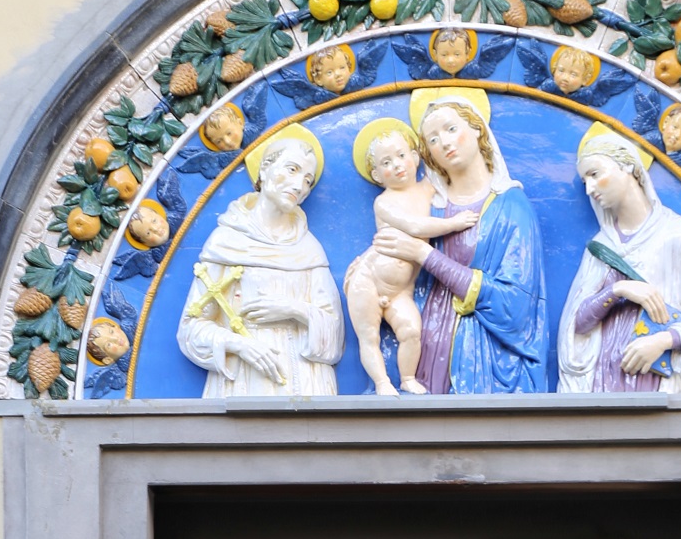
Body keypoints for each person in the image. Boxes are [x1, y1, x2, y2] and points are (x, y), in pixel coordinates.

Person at [371, 86, 548, 394]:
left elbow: (515, 307)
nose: (445, 143)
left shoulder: (511, 207)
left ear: (478, 129)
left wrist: (424, 254)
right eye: (433, 140)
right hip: (428, 352)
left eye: (451, 129)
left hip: (488, 360)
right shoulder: (430, 208)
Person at [176, 126, 343, 395]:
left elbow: (334, 333)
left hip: (306, 380)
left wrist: (293, 310)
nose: (300, 185)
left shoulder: (309, 249)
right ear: (264, 170)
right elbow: (191, 327)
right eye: (292, 169)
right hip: (245, 379)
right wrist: (239, 344)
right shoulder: (225, 242)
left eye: (308, 180)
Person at [557, 124, 681, 394]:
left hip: (651, 382)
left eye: (595, 174)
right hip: (601, 382)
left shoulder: (677, 236)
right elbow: (578, 325)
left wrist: (662, 341)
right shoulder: (601, 247)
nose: (589, 189)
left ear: (629, 167)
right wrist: (618, 290)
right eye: (585, 180)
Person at [344, 118, 480, 396]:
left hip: (399, 291)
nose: (396, 165)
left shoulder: (428, 188)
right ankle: (383, 383)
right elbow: (416, 227)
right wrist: (454, 224)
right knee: (368, 336)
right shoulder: (384, 201)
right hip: (367, 280)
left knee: (411, 331)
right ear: (377, 175)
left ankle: (407, 378)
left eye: (401, 156)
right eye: (386, 163)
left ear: (416, 158)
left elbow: (450, 181)